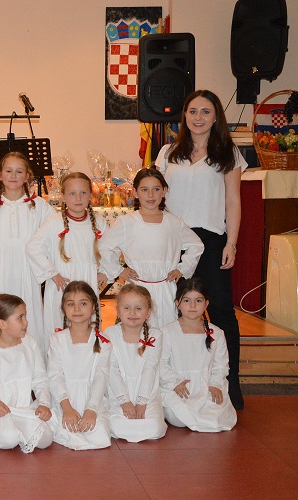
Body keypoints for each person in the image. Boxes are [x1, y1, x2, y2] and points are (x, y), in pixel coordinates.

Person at [155, 89, 248, 409]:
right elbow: (155, 196)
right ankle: (172, 383)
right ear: (184, 115)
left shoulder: (228, 153)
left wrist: (231, 243)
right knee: (171, 310)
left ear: (216, 116)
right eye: (193, 111)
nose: (198, 117)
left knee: (220, 311)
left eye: (205, 112)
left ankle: (229, 383)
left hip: (211, 240)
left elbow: (233, 201)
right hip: (173, 241)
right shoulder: (168, 152)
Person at [99, 168, 204, 328]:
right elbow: (105, 246)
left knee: (165, 331)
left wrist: (182, 269)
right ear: (135, 192)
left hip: (165, 289)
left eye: (156, 189)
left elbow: (196, 245)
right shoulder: (127, 222)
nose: (150, 195)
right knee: (136, 331)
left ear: (164, 191)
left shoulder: (174, 223)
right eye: (144, 190)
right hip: (136, 289)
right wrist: (118, 270)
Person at [0, 152, 56, 340]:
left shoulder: (39, 206)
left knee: (29, 310)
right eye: (8, 171)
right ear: (0, 175)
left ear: (27, 176)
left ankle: (30, 352)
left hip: (27, 269)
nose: (13, 175)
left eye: (19, 171)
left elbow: (52, 234)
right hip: (0, 268)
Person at [26, 172, 108, 354]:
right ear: (62, 196)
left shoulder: (100, 223)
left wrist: (105, 271)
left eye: (83, 193)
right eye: (72, 193)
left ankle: (88, 361)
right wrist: (51, 273)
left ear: (91, 195)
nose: (78, 198)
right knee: (58, 327)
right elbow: (33, 247)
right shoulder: (53, 223)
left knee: (88, 325)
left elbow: (110, 249)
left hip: (88, 282)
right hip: (61, 285)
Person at [0, 294, 55, 453]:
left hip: (25, 409)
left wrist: (44, 403)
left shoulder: (30, 343)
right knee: (8, 440)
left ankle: (22, 430)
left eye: (25, 316)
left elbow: (40, 379)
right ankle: (13, 432)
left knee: (45, 440)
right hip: (0, 411)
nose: (26, 322)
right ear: (2, 324)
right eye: (20, 318)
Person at [159, 277, 237, 432]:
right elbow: (161, 363)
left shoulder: (217, 333)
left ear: (206, 304)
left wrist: (215, 384)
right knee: (178, 418)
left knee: (217, 417)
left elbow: (221, 365)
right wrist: (175, 382)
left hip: (206, 388)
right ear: (177, 303)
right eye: (187, 300)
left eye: (198, 301)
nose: (192, 306)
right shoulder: (167, 332)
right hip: (179, 388)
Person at [48, 281, 112, 450]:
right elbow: (55, 375)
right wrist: (67, 408)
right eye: (71, 304)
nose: (76, 309)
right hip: (64, 400)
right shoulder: (57, 339)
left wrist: (91, 410)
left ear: (93, 307)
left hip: (91, 399)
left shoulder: (103, 341)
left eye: (83, 303)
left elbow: (101, 376)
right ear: (63, 308)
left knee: (100, 435)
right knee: (53, 429)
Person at [104, 283, 167, 442]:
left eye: (138, 308)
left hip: (147, 396)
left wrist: (141, 403)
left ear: (148, 313)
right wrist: (124, 402)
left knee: (155, 427)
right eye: (126, 308)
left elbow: (150, 369)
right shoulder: (110, 333)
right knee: (117, 426)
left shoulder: (155, 335)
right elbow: (112, 369)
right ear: (118, 311)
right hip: (118, 396)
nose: (132, 313)